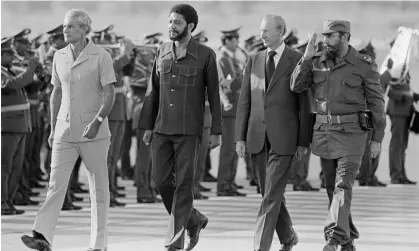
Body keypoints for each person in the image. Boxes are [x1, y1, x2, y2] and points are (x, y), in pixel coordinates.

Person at [21, 9, 116, 251]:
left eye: (71, 26)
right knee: (55, 184)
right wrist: (53, 128)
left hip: (93, 132)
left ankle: (98, 244)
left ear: (85, 29)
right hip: (64, 131)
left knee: (99, 189)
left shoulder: (101, 56)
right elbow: (56, 92)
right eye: (65, 26)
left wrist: (97, 121)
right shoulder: (59, 56)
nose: (65, 30)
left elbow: (110, 93)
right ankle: (42, 236)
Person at [291, 20, 386, 251]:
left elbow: (376, 103)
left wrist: (377, 139)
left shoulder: (364, 65)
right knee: (332, 187)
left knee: (344, 184)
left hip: (353, 134)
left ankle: (333, 238)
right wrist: (305, 58)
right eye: (325, 35)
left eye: (331, 36)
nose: (325, 40)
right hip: (324, 133)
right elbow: (296, 86)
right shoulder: (316, 61)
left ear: (345, 37)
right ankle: (348, 240)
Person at [139, 4, 221, 251]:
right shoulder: (161, 51)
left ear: (191, 26)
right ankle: (194, 220)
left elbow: (214, 95)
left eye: (177, 22)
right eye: (170, 21)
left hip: (189, 130)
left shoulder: (206, 54)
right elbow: (152, 91)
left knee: (184, 184)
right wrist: (147, 125)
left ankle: (173, 241)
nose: (171, 27)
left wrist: (216, 130)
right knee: (162, 182)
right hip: (162, 127)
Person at [235, 15, 310, 251]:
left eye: (266, 31)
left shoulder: (297, 59)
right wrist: (239, 137)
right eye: (260, 31)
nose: (261, 35)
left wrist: (302, 141)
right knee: (269, 193)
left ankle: (261, 246)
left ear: (281, 32)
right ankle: (288, 237)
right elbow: (245, 101)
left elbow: (304, 105)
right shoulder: (254, 59)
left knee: (270, 195)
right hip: (257, 137)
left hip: (285, 139)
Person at [1, 36, 43, 215]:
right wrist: (29, 70)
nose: (12, 57)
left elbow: (32, 88)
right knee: (5, 167)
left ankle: (9, 201)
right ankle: (2, 201)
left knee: (16, 168)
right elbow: (12, 85)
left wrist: (40, 75)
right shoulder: (2, 73)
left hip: (20, 126)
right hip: (7, 127)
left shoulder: (11, 70)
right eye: (8, 54)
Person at [217, 27, 248, 197]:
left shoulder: (233, 58)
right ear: (227, 40)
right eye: (235, 39)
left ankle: (230, 182)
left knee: (236, 148)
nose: (238, 42)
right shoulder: (223, 59)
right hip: (229, 108)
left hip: (237, 108)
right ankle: (223, 184)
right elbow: (231, 83)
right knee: (228, 148)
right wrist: (245, 75)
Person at [384, 40, 419, 185]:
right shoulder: (391, 64)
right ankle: (395, 175)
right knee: (397, 144)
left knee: (403, 144)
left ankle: (401, 174)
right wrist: (405, 97)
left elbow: (404, 87)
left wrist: (414, 96)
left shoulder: (402, 65)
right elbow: (386, 89)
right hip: (397, 110)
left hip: (406, 110)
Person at [354, 39, 387, 187]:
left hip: (369, 111)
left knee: (371, 145)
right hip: (366, 112)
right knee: (368, 147)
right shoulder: (364, 66)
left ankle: (369, 176)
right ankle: (366, 177)